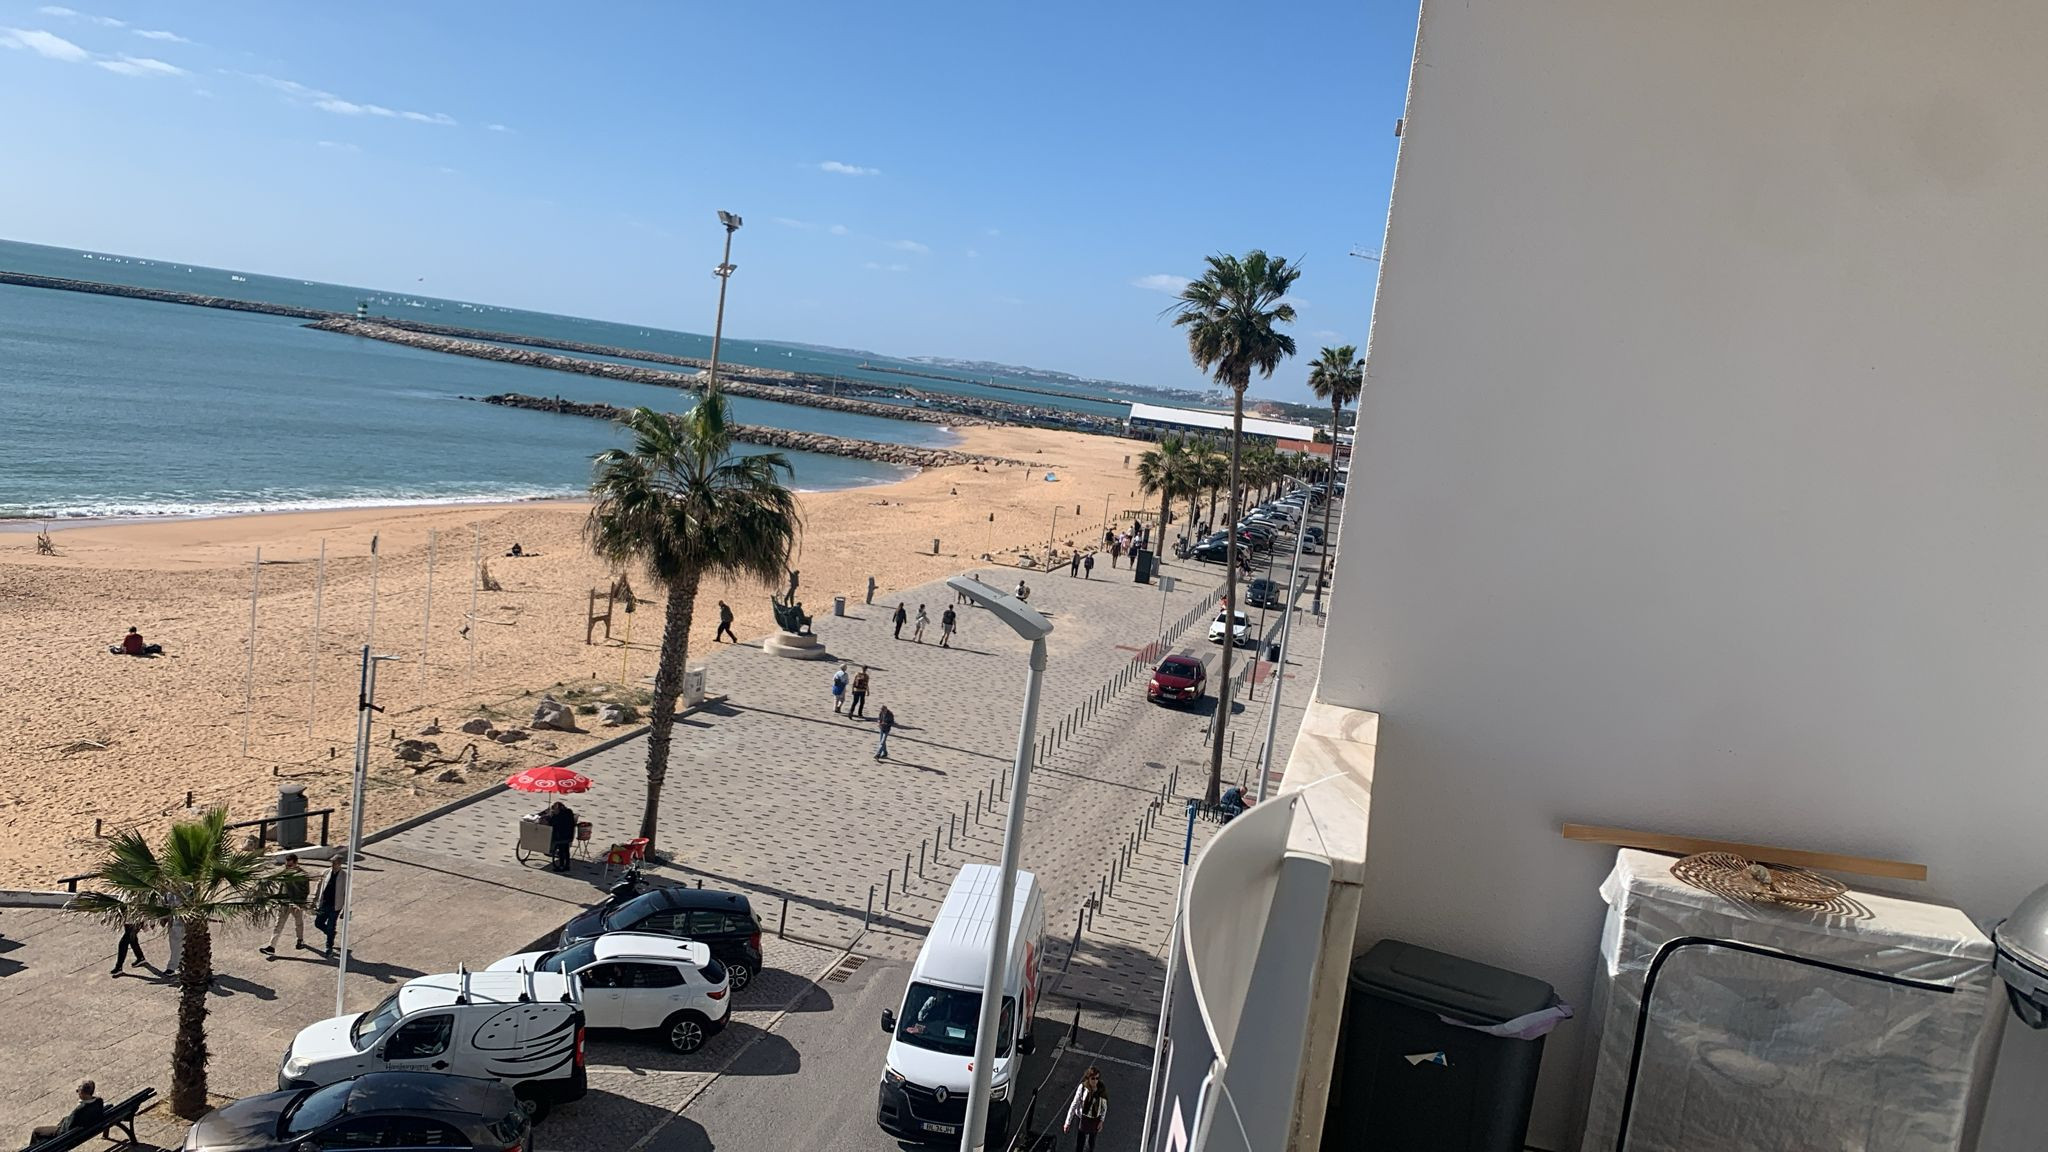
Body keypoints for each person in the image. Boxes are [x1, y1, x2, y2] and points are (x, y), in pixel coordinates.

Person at [24, 1081, 104, 1148]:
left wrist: (64, 1121)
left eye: (78, 1091)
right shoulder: (99, 1101)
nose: (78, 1093)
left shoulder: (79, 1110)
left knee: (36, 1131)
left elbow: (66, 1129)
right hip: (89, 1129)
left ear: (83, 1093)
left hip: (67, 1137)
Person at [261, 854, 311, 955]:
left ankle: (300, 940)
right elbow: (281, 886)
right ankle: (271, 947)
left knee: (298, 923)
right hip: (284, 902)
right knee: (278, 924)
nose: (287, 867)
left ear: (296, 863)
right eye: (286, 865)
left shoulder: (302, 875)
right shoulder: (285, 871)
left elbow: (305, 891)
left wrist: (300, 904)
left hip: (296, 903)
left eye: (290, 865)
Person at [1063, 1067, 1109, 1151]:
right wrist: (1067, 1122)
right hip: (1082, 1118)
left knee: (1091, 1142)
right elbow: (1074, 1104)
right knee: (1080, 1142)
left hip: (1095, 1119)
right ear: (1088, 1078)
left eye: (1097, 1078)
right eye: (1093, 1078)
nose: (1095, 1081)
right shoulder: (1083, 1088)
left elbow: (1104, 1107)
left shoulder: (1101, 1089)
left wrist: (1101, 1121)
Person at [314, 857, 347, 956]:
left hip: (335, 905)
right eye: (332, 863)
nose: (333, 865)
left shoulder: (344, 876)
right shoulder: (326, 872)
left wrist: (345, 910)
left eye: (335, 863)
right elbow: (319, 886)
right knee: (318, 923)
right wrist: (315, 899)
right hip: (324, 903)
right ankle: (331, 933)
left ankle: (329, 946)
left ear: (340, 864)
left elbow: (347, 893)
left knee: (331, 925)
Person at [110, 911, 147, 977]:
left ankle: (119, 967)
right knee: (132, 940)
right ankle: (140, 957)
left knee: (123, 943)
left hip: (136, 920)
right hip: (129, 919)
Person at [547, 800, 578, 872]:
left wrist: (552, 815)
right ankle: (567, 865)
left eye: (555, 809)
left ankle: (561, 866)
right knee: (566, 850)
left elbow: (552, 823)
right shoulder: (569, 812)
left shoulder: (558, 815)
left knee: (561, 851)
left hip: (561, 836)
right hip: (569, 836)